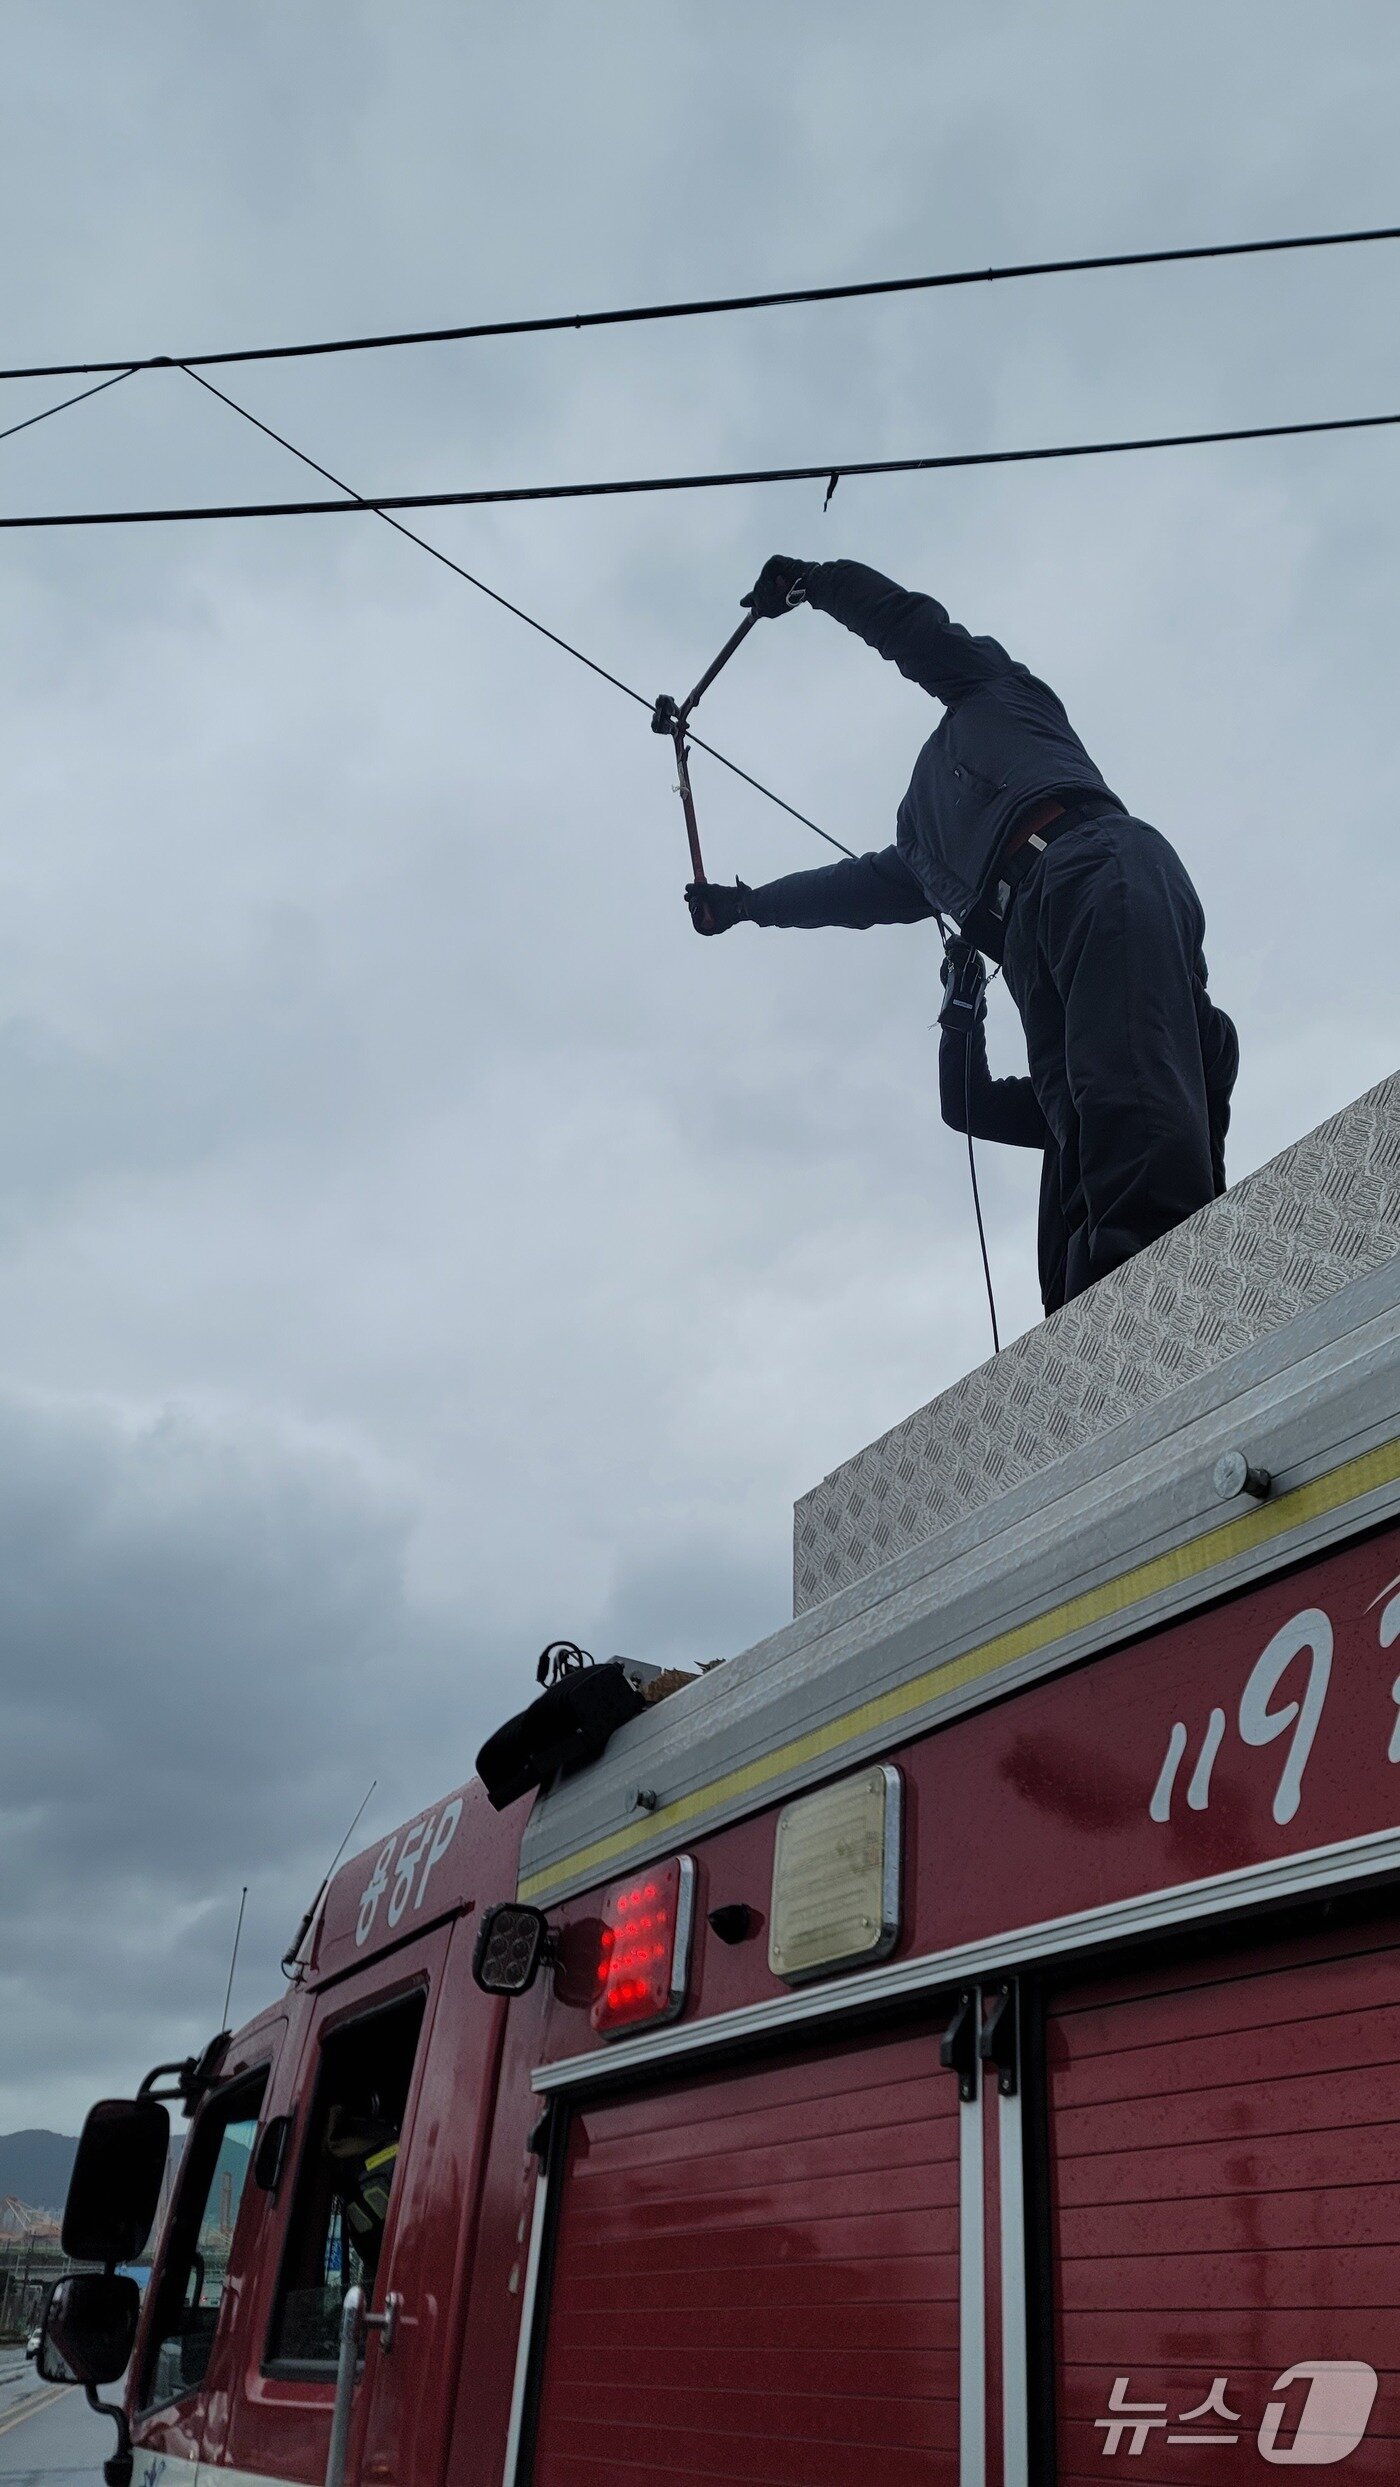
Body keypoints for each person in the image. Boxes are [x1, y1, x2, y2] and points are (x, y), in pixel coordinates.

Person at [686, 553, 1239, 1310]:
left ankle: (1162, 1295)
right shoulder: (919, 847)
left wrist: (816, 583)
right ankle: (1087, 1327)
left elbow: (907, 623)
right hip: (1028, 952)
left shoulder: (992, 689)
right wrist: (744, 905)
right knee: (1076, 1138)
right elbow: (845, 893)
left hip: (1088, 863)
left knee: (1130, 1100)